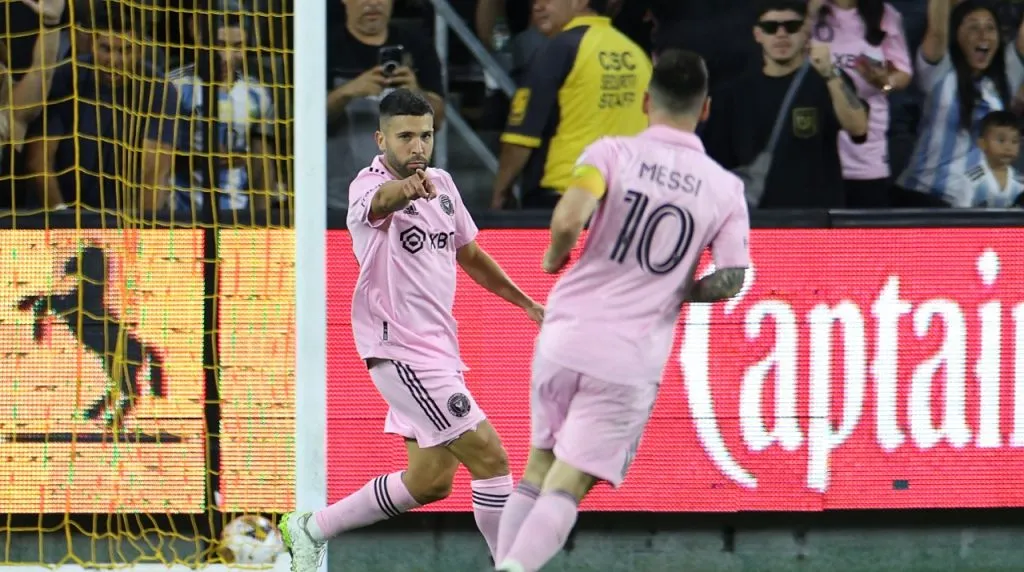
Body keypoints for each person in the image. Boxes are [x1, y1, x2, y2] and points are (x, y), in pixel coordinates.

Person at [493, 49, 751, 572]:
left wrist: (553, 257)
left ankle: (503, 562)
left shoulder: (610, 153)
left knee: (537, 467)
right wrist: (682, 289)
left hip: (564, 337)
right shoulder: (726, 189)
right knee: (567, 485)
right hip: (628, 358)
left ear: (643, 102)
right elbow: (732, 280)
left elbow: (569, 218)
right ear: (704, 110)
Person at [280, 89, 546, 572]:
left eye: (425, 135)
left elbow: (471, 256)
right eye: (405, 137)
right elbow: (379, 204)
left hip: (439, 351)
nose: (417, 146)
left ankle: (311, 528)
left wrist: (526, 302)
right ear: (382, 139)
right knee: (491, 456)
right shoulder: (367, 187)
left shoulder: (443, 184)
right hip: (399, 351)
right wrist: (404, 190)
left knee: (429, 482)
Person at [701, 0, 869, 209]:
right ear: (757, 34)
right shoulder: (734, 94)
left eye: (791, 26)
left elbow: (859, 128)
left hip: (816, 218)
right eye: (771, 28)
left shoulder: (828, 80)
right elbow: (717, 165)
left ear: (805, 32)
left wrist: (830, 73)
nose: (781, 34)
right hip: (758, 218)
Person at [490, 0, 652, 209]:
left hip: (564, 196)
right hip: (627, 200)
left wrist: (500, 191)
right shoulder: (636, 55)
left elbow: (521, 137)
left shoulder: (556, 50)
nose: (537, 7)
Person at [894, 0, 1024, 207]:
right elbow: (937, 31)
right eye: (973, 27)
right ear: (956, 34)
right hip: (927, 195)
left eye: (990, 28)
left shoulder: (1004, 79)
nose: (983, 35)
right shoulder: (940, 71)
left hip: (977, 202)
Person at [325, 0, 446, 209]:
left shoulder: (417, 45)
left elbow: (440, 120)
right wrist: (347, 92)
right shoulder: (324, 47)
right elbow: (303, 122)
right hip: (340, 200)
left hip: (410, 198)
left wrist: (416, 93)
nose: (373, 3)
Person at [809, 0, 913, 207]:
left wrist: (886, 82)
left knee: (863, 236)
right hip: (814, 155)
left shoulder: (885, 14)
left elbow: (903, 72)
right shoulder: (808, 12)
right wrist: (810, 11)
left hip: (866, 154)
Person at [946, 110, 1024, 207]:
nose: (1008, 147)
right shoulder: (971, 179)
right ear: (982, 143)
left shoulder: (1019, 181)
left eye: (1014, 141)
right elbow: (962, 216)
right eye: (1001, 140)